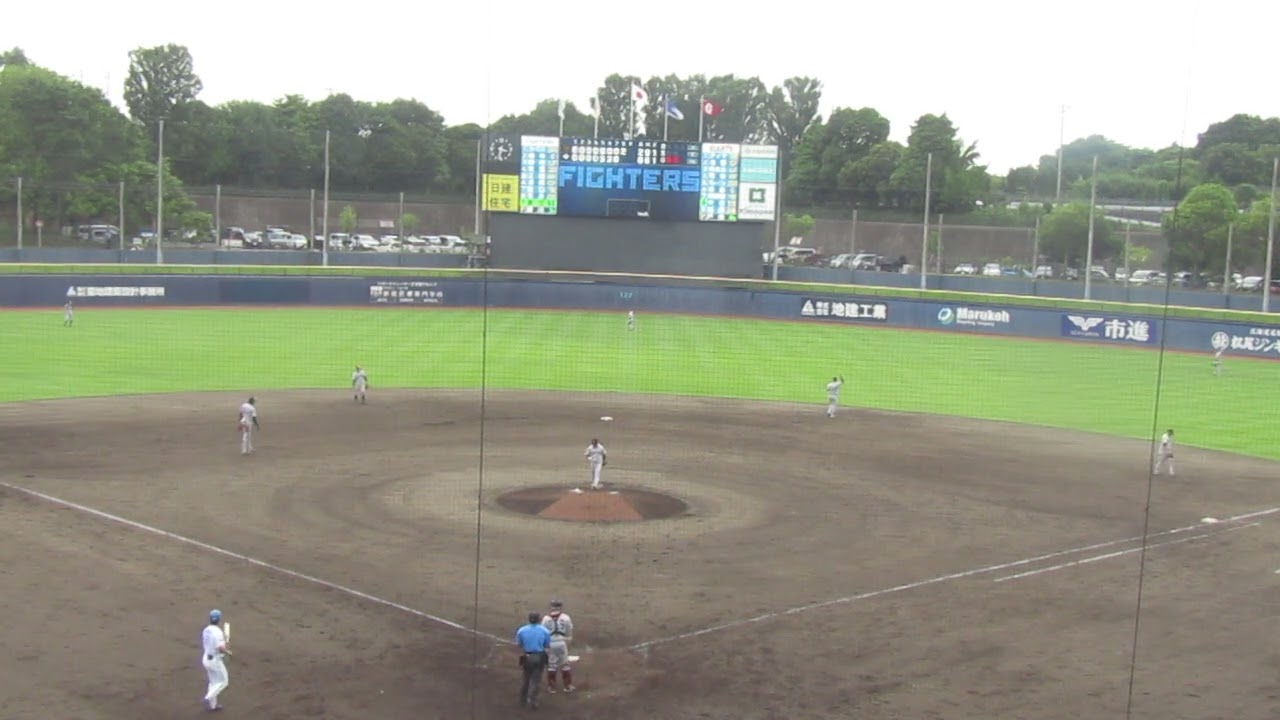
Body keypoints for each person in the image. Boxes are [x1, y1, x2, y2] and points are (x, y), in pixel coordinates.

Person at [514, 611, 551, 709]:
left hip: (527, 657)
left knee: (526, 678)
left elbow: (519, 644)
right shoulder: (544, 630)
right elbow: (547, 645)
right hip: (539, 657)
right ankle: (532, 701)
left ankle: (523, 699)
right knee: (535, 680)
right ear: (539, 619)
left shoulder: (522, 630)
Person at [201, 609, 232, 711]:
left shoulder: (206, 630)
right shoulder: (218, 632)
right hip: (215, 661)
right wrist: (228, 651)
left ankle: (213, 706)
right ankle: (208, 697)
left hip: (206, 659)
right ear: (219, 619)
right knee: (224, 681)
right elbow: (220, 648)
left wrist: (224, 641)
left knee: (213, 682)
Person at [542, 600, 575, 693]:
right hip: (561, 642)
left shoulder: (546, 618)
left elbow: (543, 632)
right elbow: (569, 631)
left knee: (552, 665)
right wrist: (567, 641)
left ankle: (552, 687)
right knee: (565, 664)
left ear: (552, 607)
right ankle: (568, 686)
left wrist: (545, 645)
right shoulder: (566, 617)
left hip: (551, 643)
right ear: (560, 607)